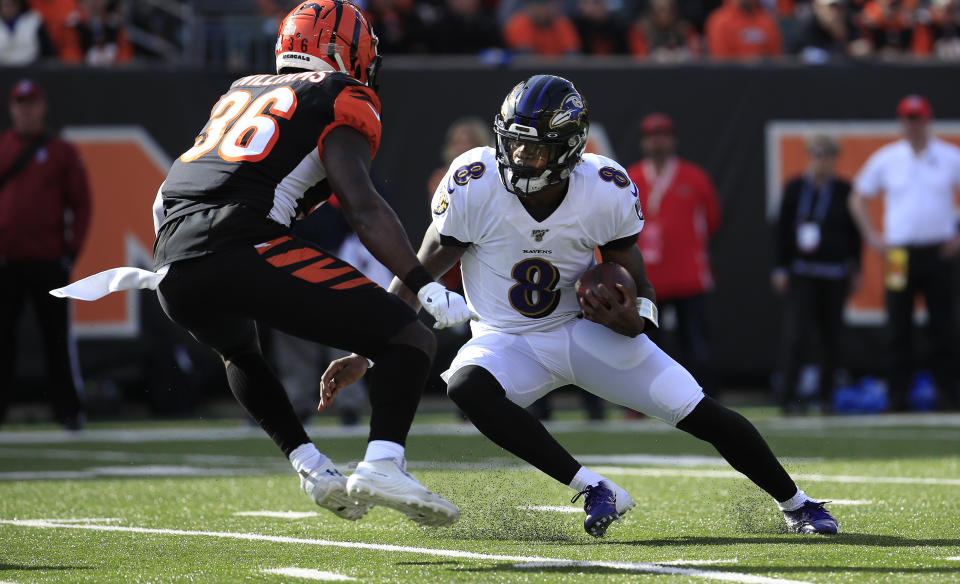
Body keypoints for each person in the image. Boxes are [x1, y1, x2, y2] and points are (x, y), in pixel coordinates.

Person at [320, 74, 839, 538]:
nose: (520, 160)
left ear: (570, 150)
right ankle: (593, 488)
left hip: (581, 327)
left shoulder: (604, 189)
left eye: (535, 151)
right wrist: (366, 353)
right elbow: (415, 274)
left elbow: (641, 286)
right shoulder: (474, 183)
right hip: (505, 337)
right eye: (514, 145)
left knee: (699, 412)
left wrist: (633, 318)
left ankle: (798, 503)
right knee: (464, 383)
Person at [54, 0, 472, 526]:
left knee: (239, 351)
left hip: (171, 258)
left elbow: (169, 195)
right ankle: (383, 463)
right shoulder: (339, 95)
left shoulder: (241, 89)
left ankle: (311, 466)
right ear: (344, 50)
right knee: (410, 337)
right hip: (238, 239)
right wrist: (420, 283)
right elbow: (362, 205)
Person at [849, 95, 960, 411]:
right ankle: (898, 396)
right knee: (899, 325)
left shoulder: (949, 156)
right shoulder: (888, 158)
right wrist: (872, 236)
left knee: (943, 324)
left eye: (917, 119)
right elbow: (858, 198)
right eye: (907, 119)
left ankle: (948, 395)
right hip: (898, 254)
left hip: (939, 251)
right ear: (902, 122)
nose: (912, 125)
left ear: (928, 120)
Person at [0, 78, 90, 430]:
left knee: (56, 339)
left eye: (31, 103)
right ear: (12, 108)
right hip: (6, 261)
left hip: (48, 260)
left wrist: (72, 251)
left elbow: (82, 205)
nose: (26, 110)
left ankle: (67, 410)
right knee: (3, 340)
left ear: (42, 106)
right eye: (20, 104)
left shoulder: (61, 152)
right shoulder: (4, 148)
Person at [626, 112, 720, 398]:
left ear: (673, 140)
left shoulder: (694, 178)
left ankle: (704, 398)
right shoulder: (631, 177)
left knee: (694, 343)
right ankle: (641, 401)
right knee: (644, 345)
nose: (658, 142)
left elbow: (713, 221)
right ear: (644, 142)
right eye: (652, 137)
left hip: (688, 277)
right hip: (648, 280)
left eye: (663, 136)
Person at [773, 134, 862, 414]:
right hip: (802, 271)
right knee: (797, 336)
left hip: (834, 273)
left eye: (827, 154)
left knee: (831, 336)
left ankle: (826, 398)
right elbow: (780, 230)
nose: (821, 160)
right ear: (810, 156)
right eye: (817, 154)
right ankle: (789, 398)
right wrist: (780, 267)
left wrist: (855, 267)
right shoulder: (796, 187)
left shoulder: (845, 190)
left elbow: (854, 233)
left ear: (835, 158)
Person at [705, 0, 783, 59]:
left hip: (763, 76)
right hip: (731, 76)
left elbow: (775, 58)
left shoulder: (767, 21)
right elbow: (721, 60)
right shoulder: (720, 21)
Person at [502, 0, 581, 57]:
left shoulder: (562, 23)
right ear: (529, 6)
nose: (543, 10)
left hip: (560, 73)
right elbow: (525, 56)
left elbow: (572, 55)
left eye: (547, 4)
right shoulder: (519, 23)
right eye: (538, 5)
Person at [0, 0, 55, 65]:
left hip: (31, 67)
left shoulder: (33, 21)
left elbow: (46, 50)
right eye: (3, 6)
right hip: (3, 69)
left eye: (11, 5)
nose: (7, 9)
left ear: (18, 5)